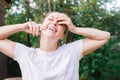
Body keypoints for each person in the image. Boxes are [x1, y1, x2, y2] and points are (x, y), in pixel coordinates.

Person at [0, 12, 110, 80]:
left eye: (61, 23)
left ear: (62, 35)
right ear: (41, 26)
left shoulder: (71, 51)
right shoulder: (25, 54)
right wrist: (21, 27)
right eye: (51, 19)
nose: (54, 23)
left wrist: (74, 29)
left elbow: (104, 36)